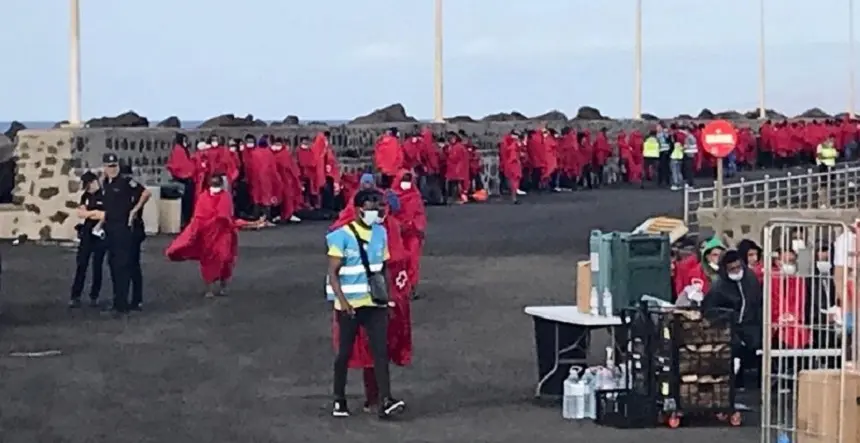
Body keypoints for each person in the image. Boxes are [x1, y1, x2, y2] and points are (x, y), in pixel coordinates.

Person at [326, 189, 406, 419]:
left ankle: (385, 399)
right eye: (372, 207)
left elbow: (382, 269)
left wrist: (387, 299)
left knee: (381, 352)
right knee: (344, 354)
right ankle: (339, 399)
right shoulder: (341, 235)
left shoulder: (381, 233)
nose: (377, 212)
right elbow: (333, 273)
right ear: (360, 209)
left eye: (380, 207)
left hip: (374, 303)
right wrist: (342, 302)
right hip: (349, 306)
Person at [165, 175, 238, 298]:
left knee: (225, 259)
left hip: (222, 233)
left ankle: (223, 286)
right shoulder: (203, 197)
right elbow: (198, 216)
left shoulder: (226, 197)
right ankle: (209, 289)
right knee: (208, 262)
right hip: (207, 234)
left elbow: (226, 215)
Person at [702, 249, 763, 388]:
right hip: (728, 327)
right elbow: (710, 310)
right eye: (732, 269)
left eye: (738, 267)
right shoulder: (718, 286)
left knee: (754, 348)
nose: (736, 271)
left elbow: (757, 302)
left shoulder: (750, 278)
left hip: (750, 325)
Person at [101, 153, 151, 316]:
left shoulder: (125, 182)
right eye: (109, 166)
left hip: (125, 229)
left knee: (124, 265)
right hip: (111, 228)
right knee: (114, 264)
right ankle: (119, 300)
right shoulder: (105, 183)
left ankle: (125, 303)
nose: (112, 169)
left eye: (114, 166)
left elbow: (145, 193)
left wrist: (134, 211)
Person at [69, 171, 107, 308]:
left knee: (97, 265)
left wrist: (91, 214)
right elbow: (81, 213)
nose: (90, 186)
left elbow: (105, 215)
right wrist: (93, 213)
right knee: (81, 264)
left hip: (100, 233)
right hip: (87, 233)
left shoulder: (104, 195)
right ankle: (75, 295)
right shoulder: (85, 196)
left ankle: (94, 295)